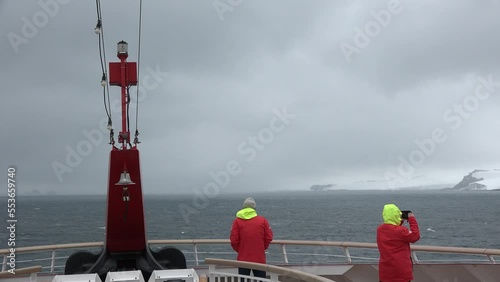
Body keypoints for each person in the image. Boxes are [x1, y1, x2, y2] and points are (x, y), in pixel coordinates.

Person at [230, 197, 273, 280]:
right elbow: (269, 237)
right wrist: (262, 247)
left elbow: (234, 240)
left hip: (243, 258)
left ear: (243, 207)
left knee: (243, 279)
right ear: (254, 208)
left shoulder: (237, 221)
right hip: (259, 258)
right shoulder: (262, 220)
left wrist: (240, 249)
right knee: (261, 280)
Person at [377, 204, 420, 282]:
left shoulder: (380, 229)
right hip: (401, 273)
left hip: (385, 273)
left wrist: (398, 221)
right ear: (397, 215)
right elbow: (415, 236)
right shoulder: (401, 231)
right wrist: (412, 219)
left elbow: (393, 229)